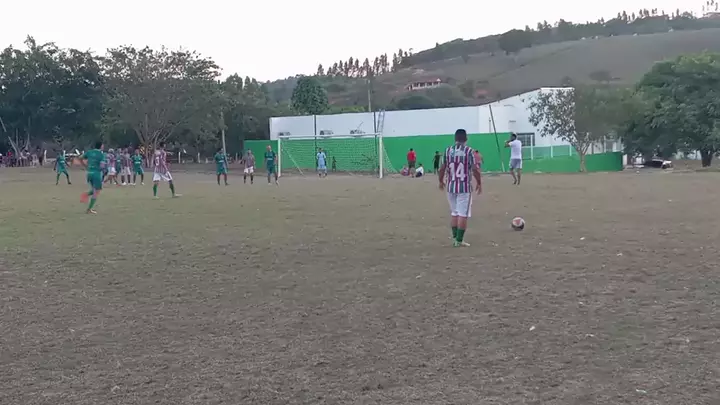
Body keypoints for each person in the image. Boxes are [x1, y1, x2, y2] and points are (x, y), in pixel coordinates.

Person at [439, 129, 482, 247]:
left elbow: (442, 168)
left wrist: (440, 181)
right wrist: (479, 182)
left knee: (455, 212)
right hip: (464, 187)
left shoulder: (448, 151)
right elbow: (475, 169)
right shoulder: (469, 151)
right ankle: (459, 240)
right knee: (463, 214)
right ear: (466, 139)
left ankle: (455, 238)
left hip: (451, 186)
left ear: (455, 138)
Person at [79, 142, 106, 214]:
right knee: (96, 192)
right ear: (101, 146)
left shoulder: (89, 152)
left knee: (95, 190)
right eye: (103, 146)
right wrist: (103, 170)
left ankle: (85, 195)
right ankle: (89, 209)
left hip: (89, 173)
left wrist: (85, 165)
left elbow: (80, 158)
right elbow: (102, 166)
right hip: (96, 174)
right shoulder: (101, 154)